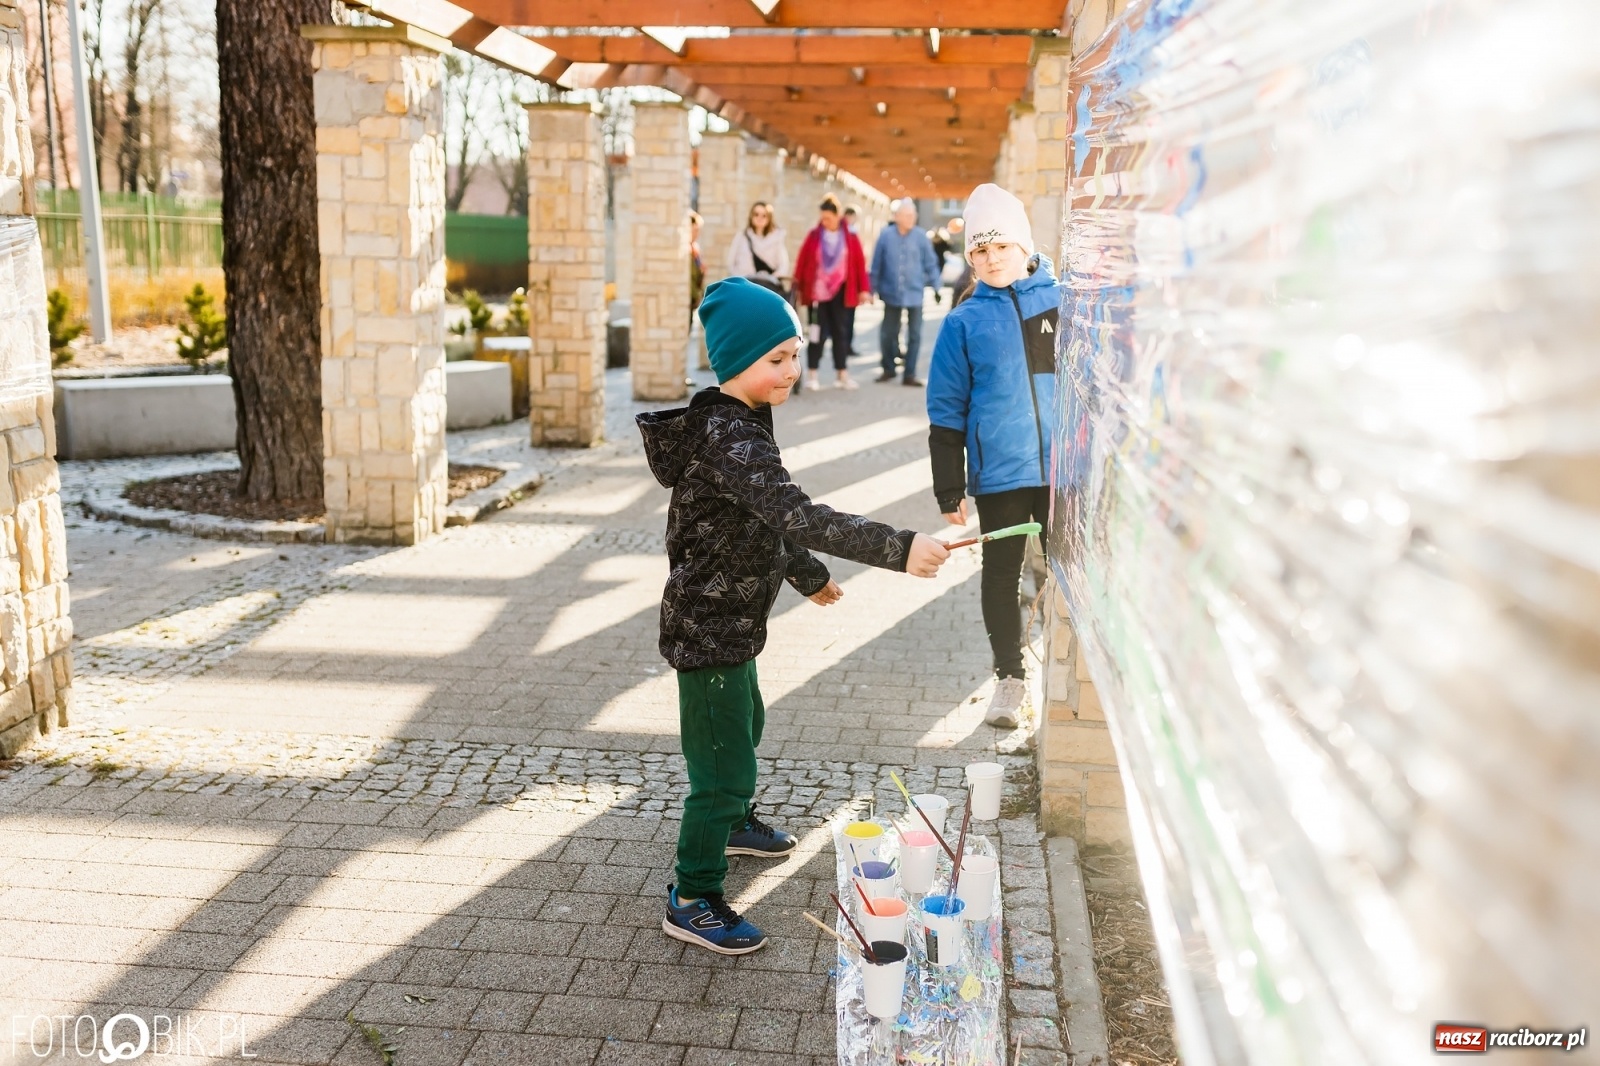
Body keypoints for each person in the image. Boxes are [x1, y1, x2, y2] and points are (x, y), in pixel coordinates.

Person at [638, 277, 952, 955]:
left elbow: (767, 520)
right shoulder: (731, 437)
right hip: (709, 626)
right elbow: (795, 511)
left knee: (745, 723)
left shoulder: (743, 421)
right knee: (720, 770)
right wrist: (900, 548)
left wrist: (807, 574)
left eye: (793, 354)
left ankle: (734, 820)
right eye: (773, 359)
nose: (790, 370)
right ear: (733, 362)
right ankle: (692, 894)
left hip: (732, 620)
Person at [925, 184, 1062, 729]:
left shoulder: (1062, 301)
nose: (990, 259)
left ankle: (1061, 659)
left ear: (1023, 244)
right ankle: (1009, 678)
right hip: (1001, 474)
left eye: (1000, 246)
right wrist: (947, 486)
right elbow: (946, 408)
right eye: (978, 251)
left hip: (1060, 473)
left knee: (1067, 570)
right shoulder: (963, 322)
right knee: (1001, 574)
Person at [792, 194, 870, 391]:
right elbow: (802, 261)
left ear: (837, 216)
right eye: (822, 217)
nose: (824, 221)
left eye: (828, 217)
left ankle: (842, 373)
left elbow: (859, 264)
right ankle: (812, 374)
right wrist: (798, 288)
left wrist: (864, 290)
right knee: (816, 334)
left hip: (841, 292)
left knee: (841, 333)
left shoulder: (850, 236)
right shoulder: (814, 235)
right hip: (817, 293)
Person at [870, 198, 942, 386]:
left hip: (915, 293)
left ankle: (909, 374)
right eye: (908, 215)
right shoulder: (885, 235)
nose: (912, 218)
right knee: (888, 333)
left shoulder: (920, 237)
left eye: (914, 215)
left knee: (915, 335)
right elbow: (876, 264)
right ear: (898, 217)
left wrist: (936, 287)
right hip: (891, 293)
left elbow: (930, 263)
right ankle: (888, 369)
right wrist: (871, 289)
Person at [725, 201, 790, 297]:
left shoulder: (777, 239)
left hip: (767, 287)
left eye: (764, 215)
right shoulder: (741, 237)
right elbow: (730, 262)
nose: (760, 218)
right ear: (751, 216)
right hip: (744, 285)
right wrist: (739, 277)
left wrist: (772, 278)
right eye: (756, 214)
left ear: (769, 218)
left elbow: (783, 265)